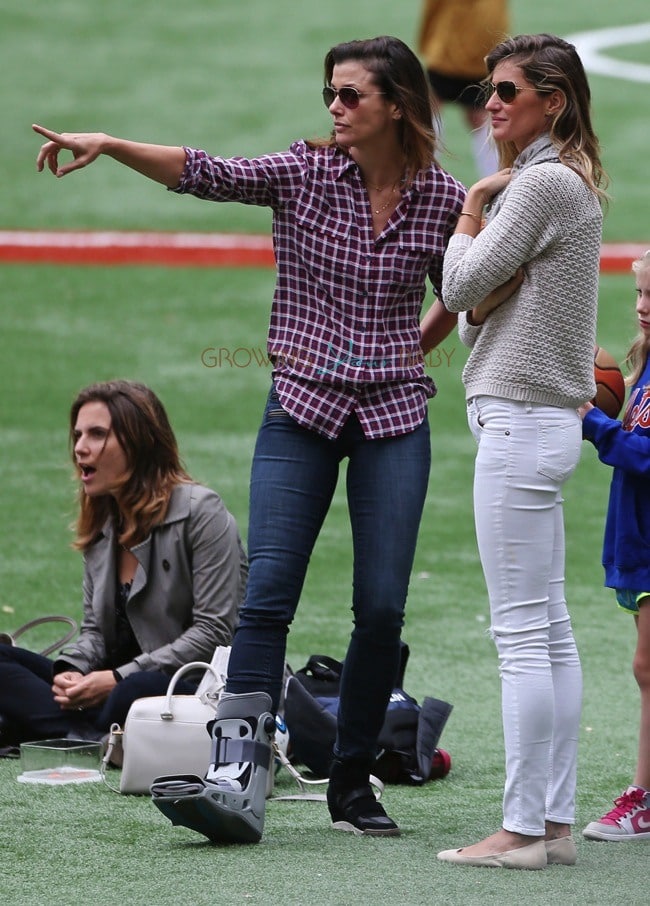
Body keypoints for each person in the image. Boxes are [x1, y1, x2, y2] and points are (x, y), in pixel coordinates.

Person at [33, 35, 465, 839]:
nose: (333, 108)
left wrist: (413, 345)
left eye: (349, 96)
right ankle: (238, 773)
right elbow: (206, 171)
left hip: (394, 418)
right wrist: (112, 144)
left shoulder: (444, 198)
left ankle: (352, 784)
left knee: (380, 607)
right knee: (266, 600)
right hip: (299, 411)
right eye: (329, 93)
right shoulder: (303, 173)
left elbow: (465, 292)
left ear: (395, 106)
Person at [426, 34, 608, 869]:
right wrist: (479, 297)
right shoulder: (559, 185)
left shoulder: (534, 185)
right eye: (487, 90)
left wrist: (471, 203)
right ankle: (557, 826)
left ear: (553, 101)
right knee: (552, 633)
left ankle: (523, 831)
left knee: (523, 639)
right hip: (544, 425)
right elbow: (477, 304)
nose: (489, 103)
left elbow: (460, 289)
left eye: (505, 91)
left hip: (520, 422)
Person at [0, 380, 246, 749]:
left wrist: (116, 677)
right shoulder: (104, 524)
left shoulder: (201, 512)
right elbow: (96, 632)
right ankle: (87, 733)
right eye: (78, 434)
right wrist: (73, 674)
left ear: (139, 443)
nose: (80, 448)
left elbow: (213, 633)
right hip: (111, 686)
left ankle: (57, 728)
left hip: (184, 686)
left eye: (97, 434)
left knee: (135, 691)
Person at [579, 251, 650, 843]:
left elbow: (645, 454)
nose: (644, 307)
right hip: (638, 540)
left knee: (647, 667)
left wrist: (592, 420)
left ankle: (644, 796)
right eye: (640, 295)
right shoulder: (645, 365)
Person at [417, 0, 510, 178]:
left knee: (434, 107)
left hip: (454, 49)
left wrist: (428, 42)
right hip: (482, 48)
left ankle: (422, 174)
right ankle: (497, 182)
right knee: (479, 116)